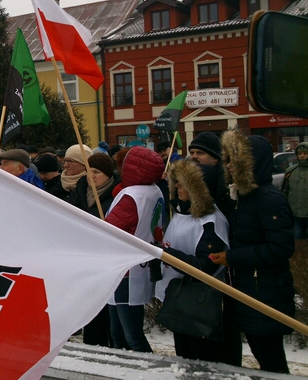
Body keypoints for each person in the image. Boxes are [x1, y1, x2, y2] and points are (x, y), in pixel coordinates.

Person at [210, 131, 295, 374]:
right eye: (228, 160)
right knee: (262, 354)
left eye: (234, 161)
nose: (229, 166)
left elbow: (281, 247)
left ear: (251, 163)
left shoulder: (268, 199)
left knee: (270, 358)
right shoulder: (244, 196)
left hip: (266, 291)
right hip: (251, 288)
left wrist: (232, 258)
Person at [155, 160, 229, 362]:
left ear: (199, 189)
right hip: (180, 299)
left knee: (199, 360)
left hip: (198, 305)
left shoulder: (210, 222)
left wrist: (166, 254)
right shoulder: (181, 212)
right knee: (184, 358)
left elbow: (206, 267)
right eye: (176, 182)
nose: (177, 187)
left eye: (182, 183)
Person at [105, 146, 164, 353]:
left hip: (125, 270)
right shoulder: (153, 190)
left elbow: (109, 229)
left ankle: (147, 371)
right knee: (120, 331)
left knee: (129, 334)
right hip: (138, 266)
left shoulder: (132, 195)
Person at [68, 153, 118, 347]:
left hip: (106, 262)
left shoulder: (115, 195)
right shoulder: (80, 192)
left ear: (108, 175)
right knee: (89, 310)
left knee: (106, 311)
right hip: (83, 259)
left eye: (96, 172)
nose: (91, 176)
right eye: (89, 172)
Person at [189, 132, 235, 217]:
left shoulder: (226, 184)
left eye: (200, 153)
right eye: (192, 153)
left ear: (215, 159)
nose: (194, 156)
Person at [282, 142, 308, 240]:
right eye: (300, 153)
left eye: (305, 153)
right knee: (297, 242)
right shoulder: (290, 171)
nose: (302, 156)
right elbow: (284, 191)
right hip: (295, 214)